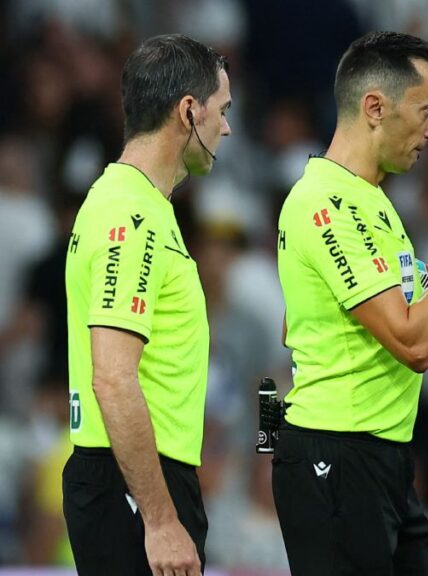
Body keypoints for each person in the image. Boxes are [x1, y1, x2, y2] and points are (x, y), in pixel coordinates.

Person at [272, 31, 428, 575]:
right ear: (375, 108)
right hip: (336, 454)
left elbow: (298, 324)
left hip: (380, 456)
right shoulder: (326, 202)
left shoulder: (369, 200)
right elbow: (413, 345)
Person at [63, 34, 232, 576]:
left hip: (133, 480)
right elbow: (112, 377)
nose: (225, 128)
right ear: (189, 110)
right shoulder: (130, 217)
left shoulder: (138, 209)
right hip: (131, 487)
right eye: (222, 110)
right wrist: (160, 520)